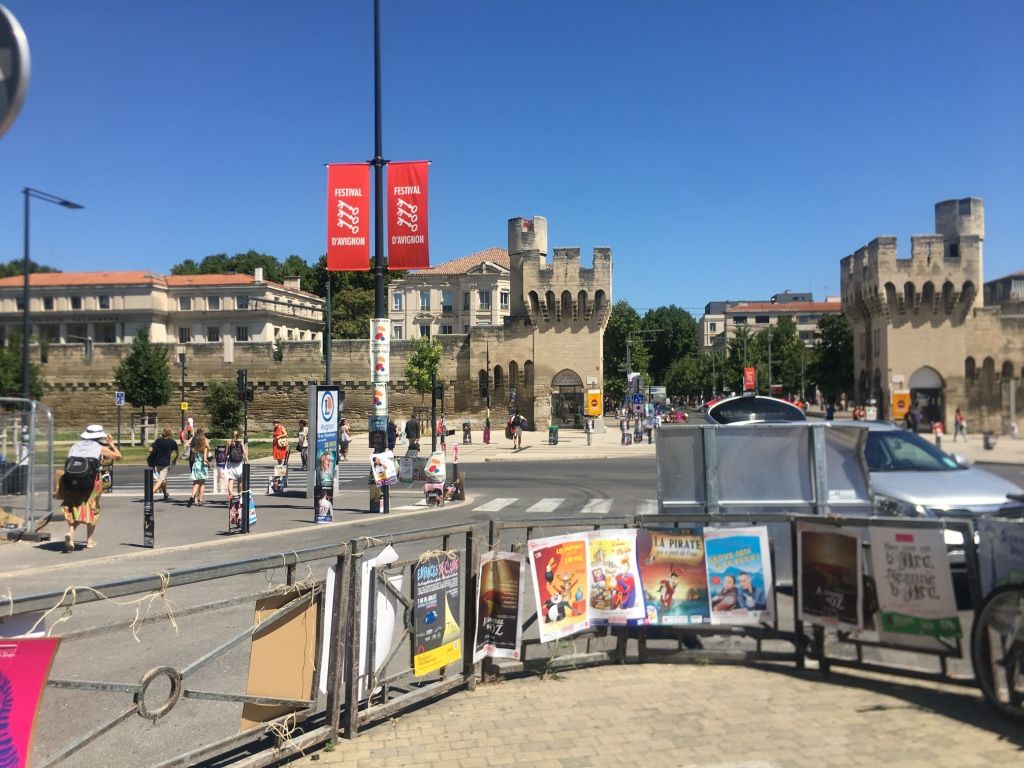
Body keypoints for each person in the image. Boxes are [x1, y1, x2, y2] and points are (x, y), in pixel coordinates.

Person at [59, 424, 122, 551]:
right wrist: (111, 444)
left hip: (72, 483)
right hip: (92, 483)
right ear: (99, 437)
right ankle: (89, 540)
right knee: (93, 509)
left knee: (76, 508)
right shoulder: (99, 447)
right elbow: (118, 457)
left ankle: (70, 532)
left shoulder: (75, 446)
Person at [148, 428, 179, 501]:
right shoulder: (172, 442)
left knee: (163, 480)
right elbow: (177, 452)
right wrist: (175, 459)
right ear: (170, 434)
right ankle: (149, 495)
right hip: (165, 463)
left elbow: (150, 449)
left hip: (157, 462)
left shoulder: (158, 441)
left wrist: (154, 452)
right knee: (161, 480)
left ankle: (165, 494)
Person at [187, 428, 210, 507]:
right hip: (202, 467)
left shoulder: (195, 449)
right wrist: (209, 464)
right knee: (202, 483)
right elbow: (205, 459)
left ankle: (192, 496)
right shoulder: (204, 448)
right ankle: (200, 499)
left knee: (196, 483)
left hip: (195, 466)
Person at [224, 430, 248, 502]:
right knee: (240, 480)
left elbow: (226, 453)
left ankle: (231, 496)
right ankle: (240, 495)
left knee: (231, 480)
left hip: (231, 463)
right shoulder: (240, 442)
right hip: (239, 463)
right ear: (238, 436)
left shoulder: (229, 442)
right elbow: (244, 452)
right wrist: (247, 460)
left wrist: (225, 460)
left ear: (231, 435)